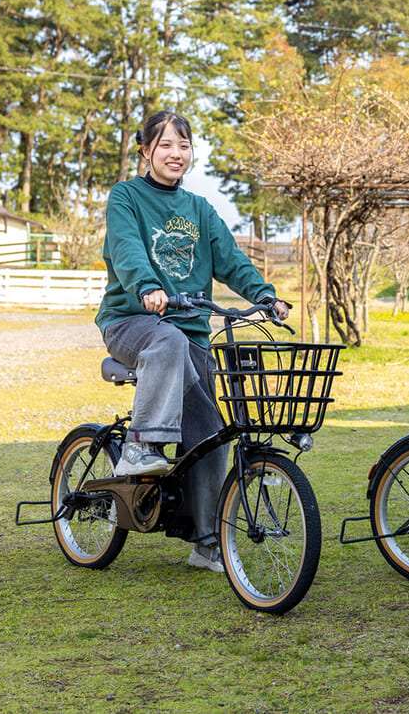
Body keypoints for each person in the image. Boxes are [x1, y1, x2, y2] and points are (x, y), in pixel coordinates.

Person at [95, 110, 290, 572]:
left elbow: (231, 258)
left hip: (192, 333)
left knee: (210, 437)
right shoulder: (126, 197)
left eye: (183, 145)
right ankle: (139, 447)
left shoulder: (200, 210)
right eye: (165, 145)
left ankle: (206, 542)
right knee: (167, 343)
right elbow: (126, 249)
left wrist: (264, 295)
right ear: (145, 151)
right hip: (132, 321)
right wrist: (146, 285)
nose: (175, 154)